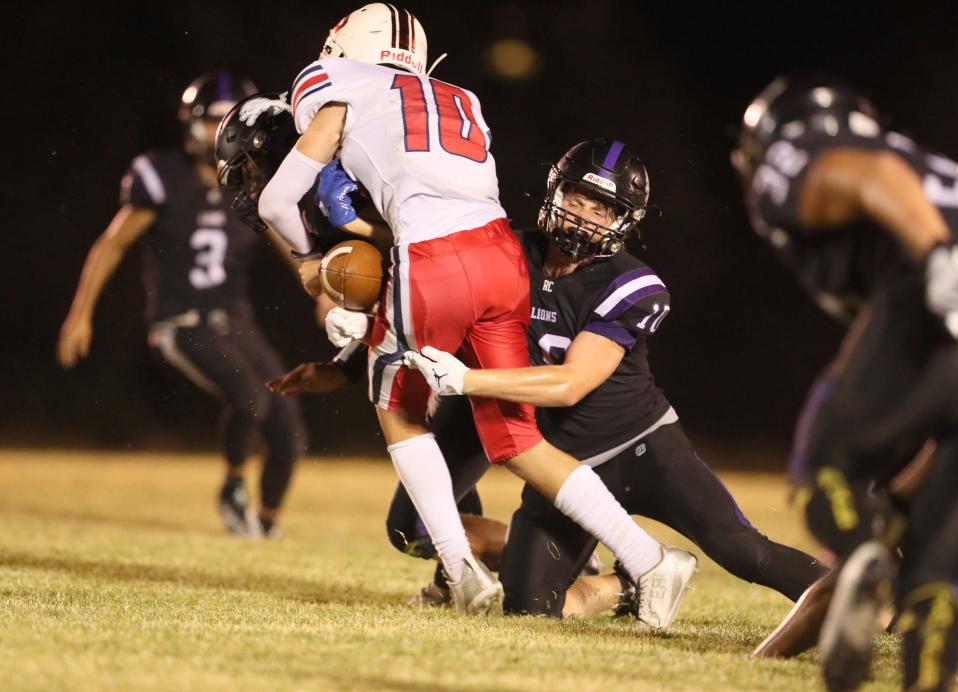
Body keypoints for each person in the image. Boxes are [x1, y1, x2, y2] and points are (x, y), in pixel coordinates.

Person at [256, 3, 697, 624]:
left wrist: (309, 263)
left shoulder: (330, 84)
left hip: (431, 259)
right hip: (499, 256)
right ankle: (647, 558)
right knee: (512, 433)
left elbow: (279, 201)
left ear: (343, 44)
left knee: (399, 410)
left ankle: (462, 572)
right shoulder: (456, 96)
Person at [400, 139, 827, 618]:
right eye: (576, 200)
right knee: (530, 608)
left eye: (601, 209)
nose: (583, 217)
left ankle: (869, 603)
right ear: (553, 195)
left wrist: (468, 381)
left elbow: (570, 385)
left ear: (624, 220)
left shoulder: (631, 284)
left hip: (641, 449)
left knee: (743, 551)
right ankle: (625, 585)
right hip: (564, 467)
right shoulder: (507, 253)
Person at [732, 76, 958, 691]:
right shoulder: (935, 171)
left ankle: (867, 559)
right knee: (936, 578)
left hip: (938, 300)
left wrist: (940, 256)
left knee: (824, 474)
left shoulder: (808, 152)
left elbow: (871, 176)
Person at [57, 72, 307, 539]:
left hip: (234, 319)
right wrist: (81, 312)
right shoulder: (161, 175)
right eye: (210, 121)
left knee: (288, 428)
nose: (217, 133)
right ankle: (234, 487)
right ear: (191, 124)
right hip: (181, 321)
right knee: (250, 399)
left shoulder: (250, 181)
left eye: (225, 122)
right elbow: (111, 245)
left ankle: (264, 530)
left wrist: (325, 294)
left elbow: (289, 244)